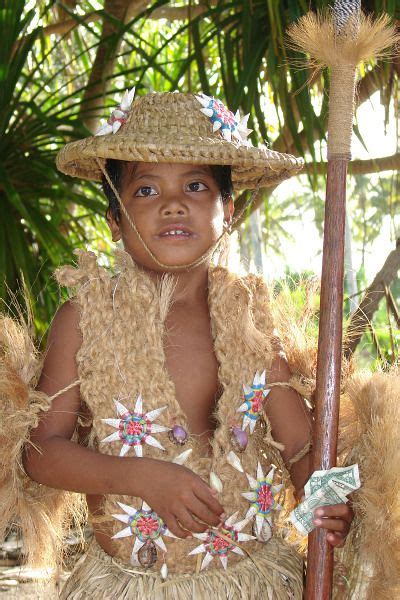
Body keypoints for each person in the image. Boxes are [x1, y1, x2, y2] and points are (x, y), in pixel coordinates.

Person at [13, 90, 353, 598]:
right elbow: (41, 452)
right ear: (114, 220)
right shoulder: (86, 318)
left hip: (255, 581)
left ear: (229, 211)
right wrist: (143, 477)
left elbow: (301, 445)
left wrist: (325, 497)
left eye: (196, 185)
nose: (173, 204)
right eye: (146, 191)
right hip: (135, 584)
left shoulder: (252, 319)